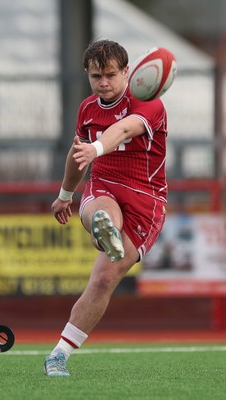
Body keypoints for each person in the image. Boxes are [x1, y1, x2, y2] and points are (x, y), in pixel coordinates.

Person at [44, 39, 168, 376]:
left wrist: (96, 148)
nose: (104, 82)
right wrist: (65, 194)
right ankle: (104, 227)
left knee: (104, 278)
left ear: (127, 72)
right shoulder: (87, 109)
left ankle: (105, 232)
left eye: (111, 75)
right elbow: (77, 155)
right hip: (105, 184)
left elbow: (124, 128)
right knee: (102, 213)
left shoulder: (149, 102)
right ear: (88, 74)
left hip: (146, 198)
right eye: (96, 76)